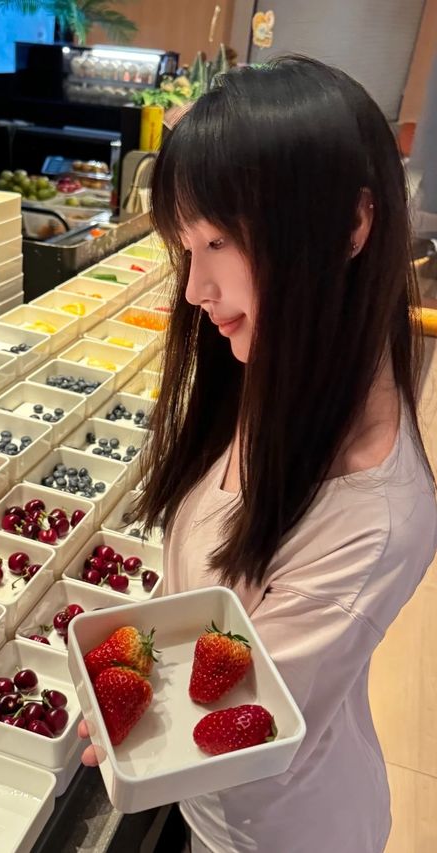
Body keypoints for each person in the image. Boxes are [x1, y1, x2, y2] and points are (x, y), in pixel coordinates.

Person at [78, 56, 437, 853]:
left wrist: (125, 715)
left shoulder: (376, 516)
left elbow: (241, 724)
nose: (195, 288)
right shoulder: (286, 370)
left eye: (219, 240)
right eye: (186, 247)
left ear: (351, 224)